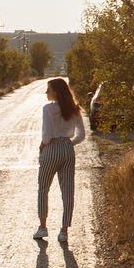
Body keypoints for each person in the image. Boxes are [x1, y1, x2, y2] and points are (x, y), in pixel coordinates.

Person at [33, 77, 86, 244]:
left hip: (52, 148)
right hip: (67, 149)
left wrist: (42, 147)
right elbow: (81, 135)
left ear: (55, 92)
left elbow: (47, 136)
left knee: (43, 188)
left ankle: (43, 226)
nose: (46, 93)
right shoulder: (75, 109)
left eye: (48, 90)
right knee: (68, 190)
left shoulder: (48, 109)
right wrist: (69, 143)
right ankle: (64, 230)